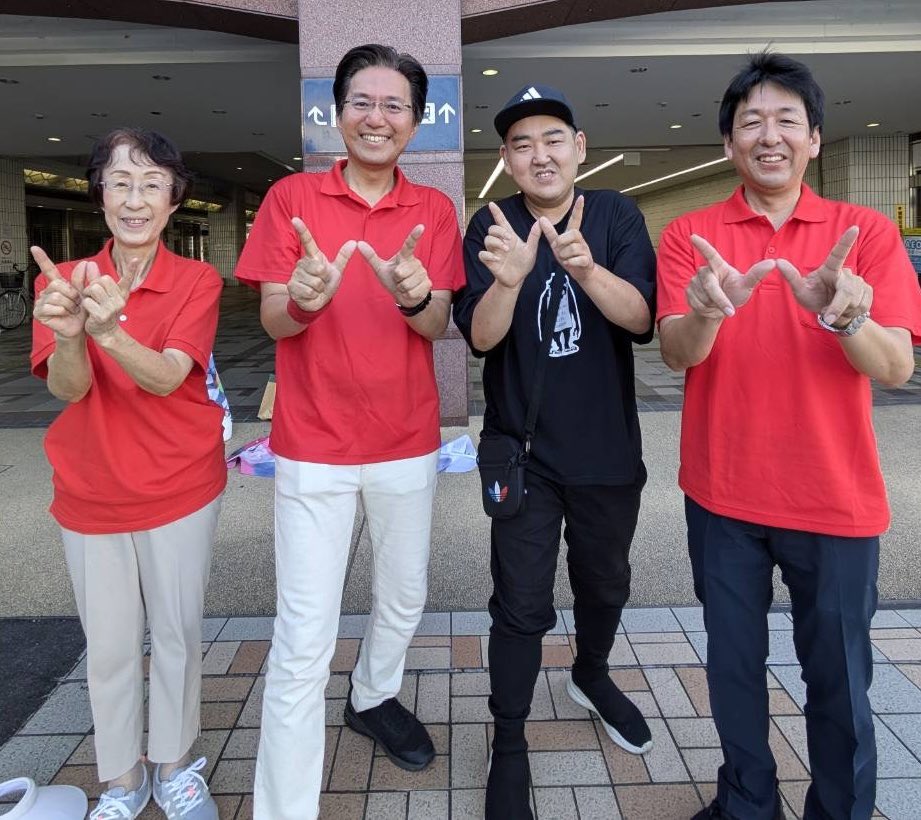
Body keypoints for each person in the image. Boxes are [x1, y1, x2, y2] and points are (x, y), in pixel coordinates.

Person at [656, 52, 921, 820]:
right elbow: (678, 353)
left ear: (812, 139)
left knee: (838, 679)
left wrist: (841, 316)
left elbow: (897, 367)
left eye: (785, 122)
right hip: (721, 493)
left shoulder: (862, 232)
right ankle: (746, 802)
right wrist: (707, 308)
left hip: (833, 499)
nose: (767, 136)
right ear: (727, 144)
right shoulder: (692, 236)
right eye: (749, 123)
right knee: (733, 667)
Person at [234, 43, 464, 820]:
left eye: (393, 104)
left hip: (406, 442)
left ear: (414, 120)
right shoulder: (290, 198)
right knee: (304, 636)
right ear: (337, 112)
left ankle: (372, 696)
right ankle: (284, 808)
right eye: (361, 102)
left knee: (403, 597)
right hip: (313, 448)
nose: (376, 117)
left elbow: (437, 325)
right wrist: (300, 297)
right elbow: (273, 317)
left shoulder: (433, 211)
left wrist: (411, 295)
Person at [453, 84, 657, 819]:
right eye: (519, 144)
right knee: (521, 606)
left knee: (605, 583)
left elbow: (641, 320)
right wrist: (509, 279)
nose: (537, 154)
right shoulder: (492, 223)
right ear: (506, 160)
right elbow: (480, 336)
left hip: (606, 450)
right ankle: (509, 743)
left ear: (577, 147)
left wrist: (584, 269)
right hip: (524, 452)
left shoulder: (614, 214)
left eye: (551, 139)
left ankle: (591, 674)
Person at [30, 128, 226, 820]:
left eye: (150, 183)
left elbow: (172, 375)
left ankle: (174, 765)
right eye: (120, 182)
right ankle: (120, 779)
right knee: (109, 646)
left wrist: (112, 331)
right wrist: (72, 333)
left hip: (180, 486)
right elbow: (69, 390)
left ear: (174, 200)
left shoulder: (197, 279)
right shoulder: (62, 282)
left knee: (175, 634)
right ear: (100, 194)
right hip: (90, 491)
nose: (134, 198)